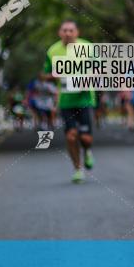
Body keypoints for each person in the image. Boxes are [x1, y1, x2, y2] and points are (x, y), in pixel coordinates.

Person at [44, 20, 97, 183]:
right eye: (64, 30)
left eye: (71, 30)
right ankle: (77, 169)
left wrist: (89, 78)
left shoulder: (88, 47)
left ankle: (87, 151)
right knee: (71, 136)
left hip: (85, 98)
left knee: (86, 138)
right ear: (60, 33)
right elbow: (46, 74)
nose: (68, 33)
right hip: (66, 101)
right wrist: (53, 75)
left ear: (77, 32)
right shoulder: (53, 50)